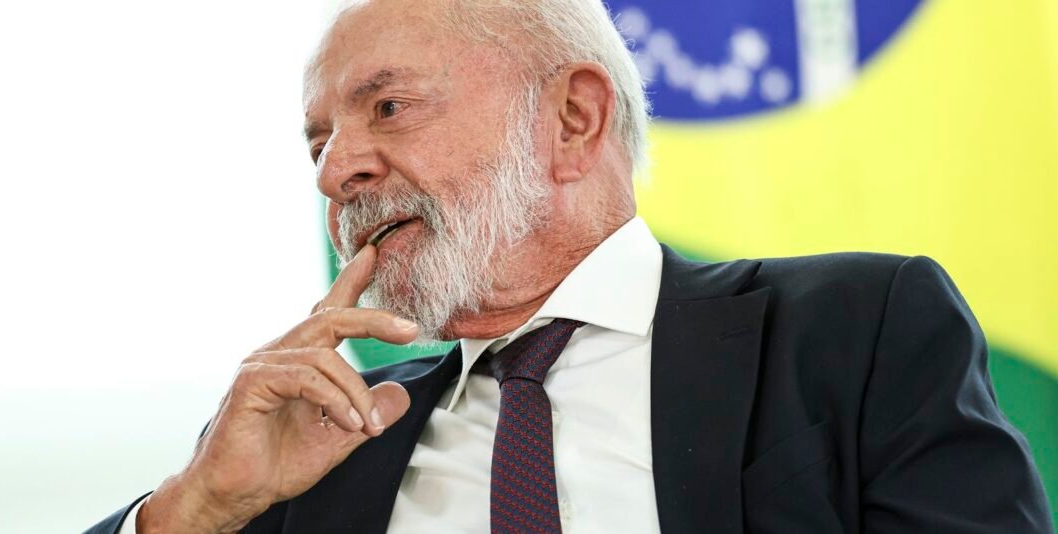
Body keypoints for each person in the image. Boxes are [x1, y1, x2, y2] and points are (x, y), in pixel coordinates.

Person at [87, 0, 1053, 532]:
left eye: (387, 109)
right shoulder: (313, 445)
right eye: (317, 145)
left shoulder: (858, 329)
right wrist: (196, 507)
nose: (337, 173)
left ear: (574, 119)